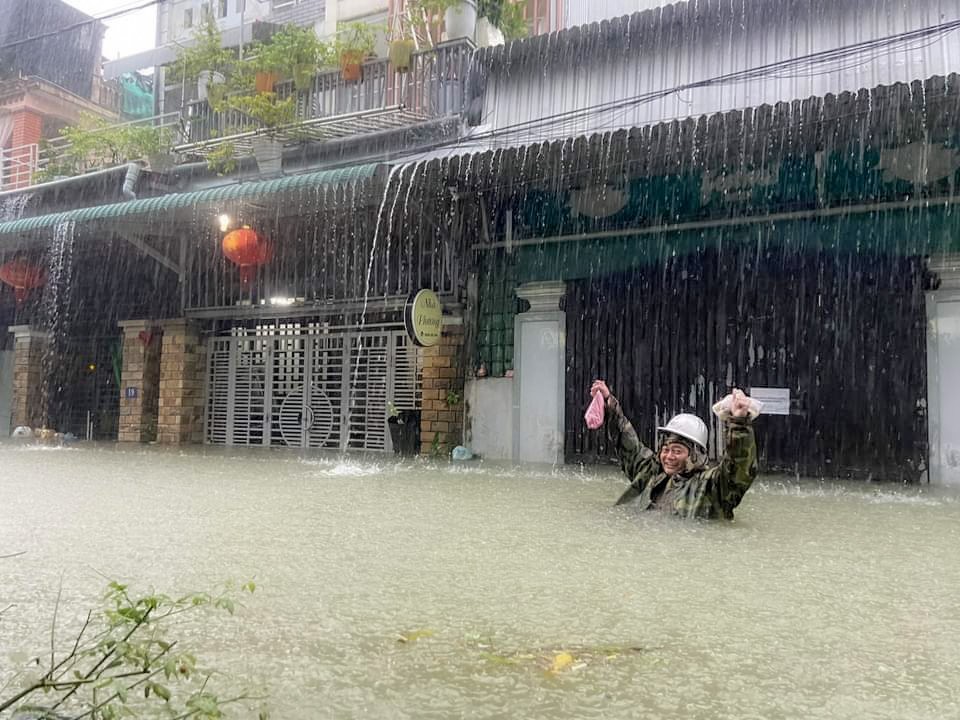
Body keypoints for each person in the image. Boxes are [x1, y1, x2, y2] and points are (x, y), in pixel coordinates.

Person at [590, 380, 758, 519]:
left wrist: (739, 424)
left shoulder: (711, 487)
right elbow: (629, 444)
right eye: (666, 449)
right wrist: (609, 402)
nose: (669, 456)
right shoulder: (651, 474)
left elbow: (739, 468)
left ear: (695, 456)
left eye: (677, 451)